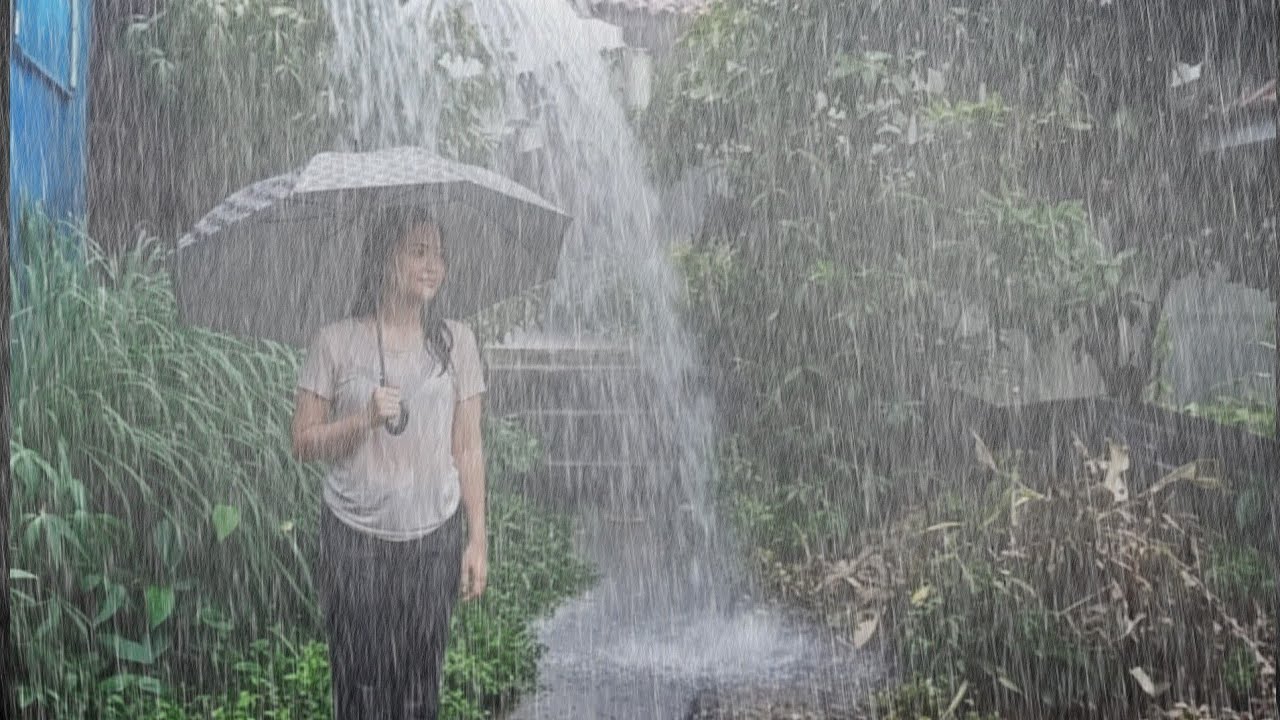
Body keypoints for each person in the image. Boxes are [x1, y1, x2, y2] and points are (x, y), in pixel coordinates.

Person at [290, 207, 488, 719]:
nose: (433, 265)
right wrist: (363, 420)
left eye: (439, 254)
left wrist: (477, 539)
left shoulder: (456, 343)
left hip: (434, 537)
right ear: (385, 257)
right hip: (354, 539)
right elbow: (303, 442)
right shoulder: (336, 341)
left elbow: (468, 446)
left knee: (420, 688)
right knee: (360, 688)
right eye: (418, 251)